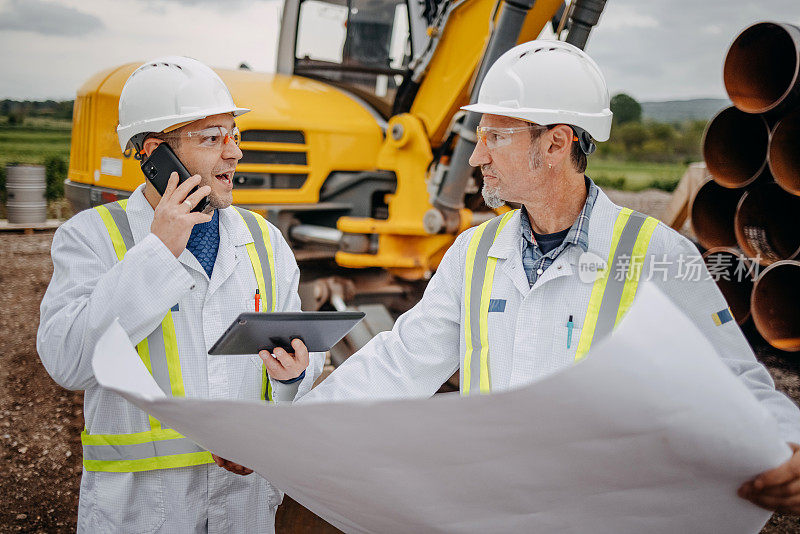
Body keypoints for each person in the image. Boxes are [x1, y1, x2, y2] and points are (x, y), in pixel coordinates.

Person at [292, 41, 800, 514]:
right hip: (495, 511)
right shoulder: (474, 253)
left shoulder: (655, 254)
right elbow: (399, 363)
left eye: (496, 136)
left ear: (556, 143)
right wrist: (295, 430)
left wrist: (790, 444)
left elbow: (734, 379)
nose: (477, 156)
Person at [37, 56, 322, 532]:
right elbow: (68, 363)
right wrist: (159, 251)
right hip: (143, 508)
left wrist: (293, 380)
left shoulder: (267, 243)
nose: (234, 153)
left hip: (244, 502)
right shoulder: (90, 237)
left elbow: (296, 376)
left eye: (234, 135)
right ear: (155, 152)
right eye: (212, 138)